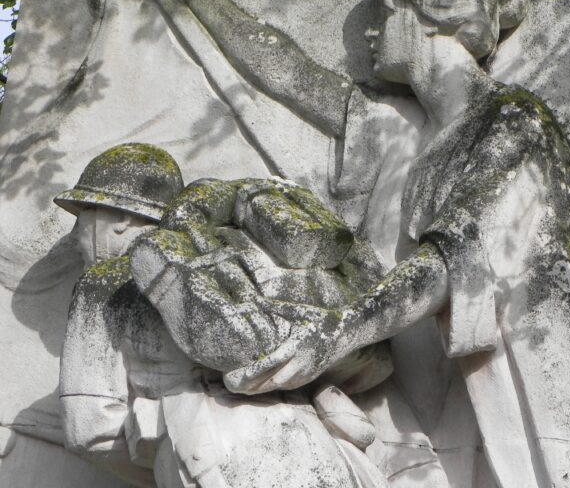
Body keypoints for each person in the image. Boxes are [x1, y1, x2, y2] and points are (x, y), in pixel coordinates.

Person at [126, 0, 570, 488]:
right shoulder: (390, 125)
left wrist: (334, 335)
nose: (373, 28)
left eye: (389, 10)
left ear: (432, 17)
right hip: (421, 394)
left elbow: (454, 256)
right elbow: (284, 70)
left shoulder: (511, 120)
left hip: (552, 386)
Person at [57, 143, 388, 488]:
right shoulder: (238, 263)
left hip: (206, 453)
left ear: (120, 220)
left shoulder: (102, 283)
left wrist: (162, 436)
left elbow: (88, 428)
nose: (76, 236)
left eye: (82, 219)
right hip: (322, 447)